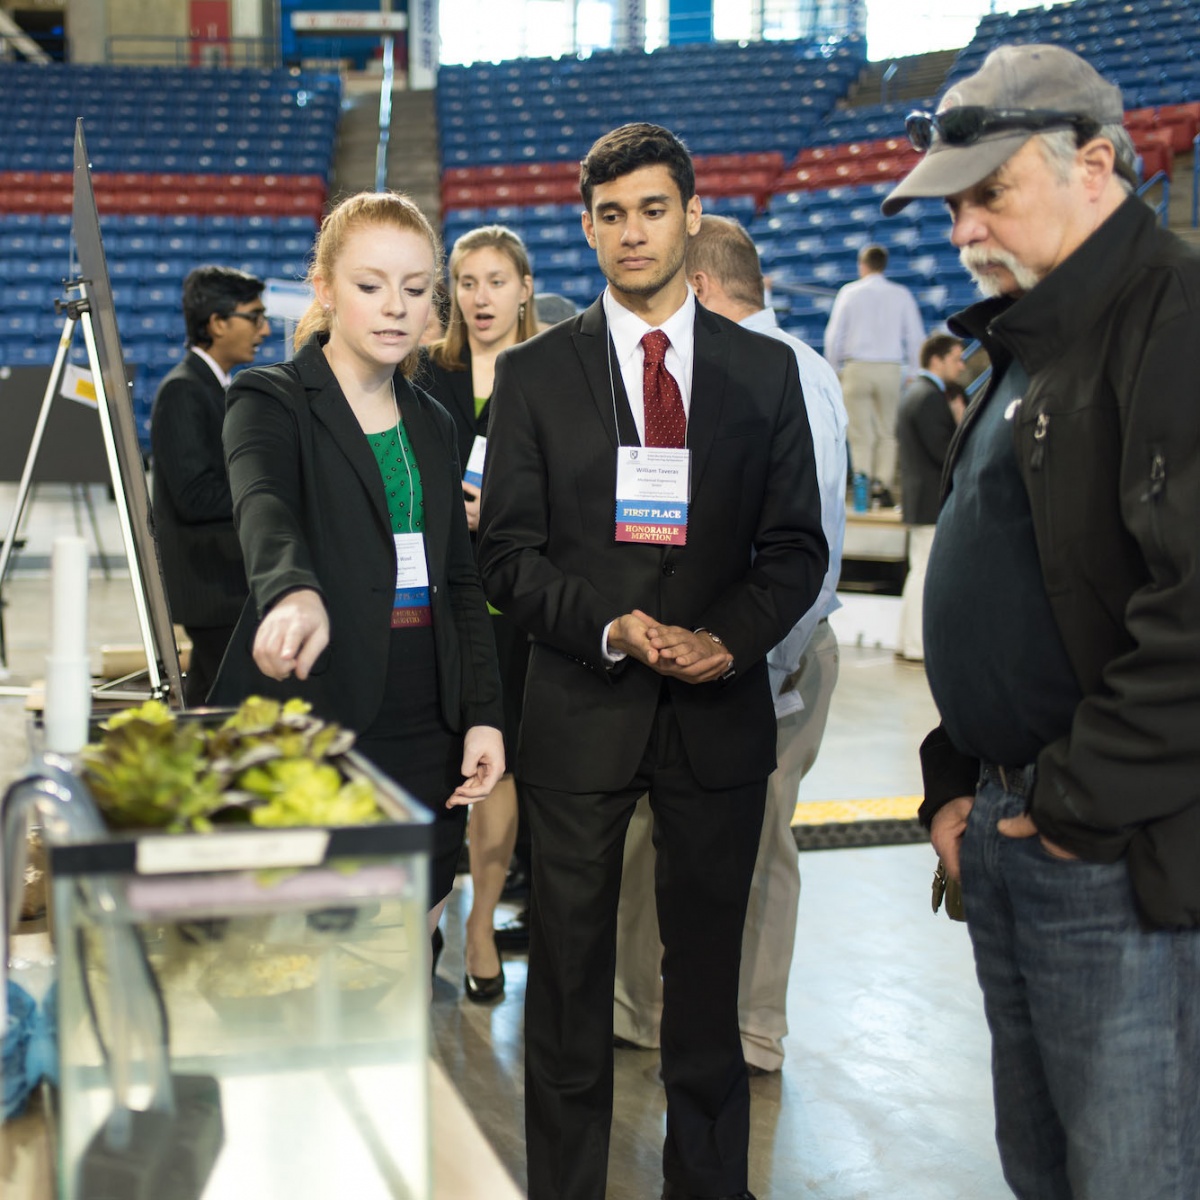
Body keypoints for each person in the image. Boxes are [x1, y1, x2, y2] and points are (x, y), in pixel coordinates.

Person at [477, 123, 828, 1200]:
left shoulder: (766, 373)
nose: (633, 232)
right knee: (571, 993)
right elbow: (506, 555)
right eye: (612, 214)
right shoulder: (535, 375)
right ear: (587, 228)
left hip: (717, 714)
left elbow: (796, 547)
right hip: (583, 710)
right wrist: (610, 626)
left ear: (691, 214)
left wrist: (728, 637)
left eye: (653, 209)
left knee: (708, 991)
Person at [883, 42, 1200, 1200]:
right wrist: (958, 777)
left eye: (990, 193)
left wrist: (1070, 811)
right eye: (953, 204)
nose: (964, 229)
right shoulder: (1032, 335)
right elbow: (1014, 575)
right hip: (1015, 824)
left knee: (1132, 1172)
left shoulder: (1171, 314)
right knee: (1046, 1167)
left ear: (1096, 164)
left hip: (1111, 852)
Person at [212, 192, 505, 926]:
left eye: (414, 290)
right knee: (315, 944)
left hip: (427, 721)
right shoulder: (270, 398)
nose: (394, 308)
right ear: (325, 290)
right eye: (370, 286)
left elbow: (461, 582)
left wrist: (482, 715)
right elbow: (263, 507)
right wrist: (291, 593)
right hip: (321, 706)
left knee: (409, 942)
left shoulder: (434, 422)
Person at [611, 213, 847, 1076]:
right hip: (690, 653)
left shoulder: (783, 373)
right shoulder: (721, 368)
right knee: (665, 836)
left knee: (757, 843)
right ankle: (647, 1010)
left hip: (761, 657)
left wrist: (761, 668)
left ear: (699, 287)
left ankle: (750, 1028)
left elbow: (804, 552)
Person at [422, 224, 537, 1002]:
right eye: (467, 281)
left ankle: (480, 924)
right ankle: (422, 912)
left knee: (501, 773)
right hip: (434, 594)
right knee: (433, 761)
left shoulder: (557, 371)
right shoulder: (426, 371)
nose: (481, 296)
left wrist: (495, 512)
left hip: (520, 602)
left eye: (496, 280)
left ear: (525, 287)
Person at [149, 266, 267, 705]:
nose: (265, 329)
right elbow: (194, 495)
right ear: (218, 323)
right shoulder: (183, 390)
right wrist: (267, 489)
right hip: (210, 586)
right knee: (219, 707)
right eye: (254, 317)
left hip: (222, 582)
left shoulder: (213, 387)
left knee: (211, 700)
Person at [823, 243, 924, 499]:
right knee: (887, 429)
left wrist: (832, 368)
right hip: (890, 366)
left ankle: (862, 481)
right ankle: (883, 484)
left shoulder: (850, 292)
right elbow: (915, 336)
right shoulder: (901, 294)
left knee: (859, 431)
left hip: (857, 366)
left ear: (862, 265)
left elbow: (834, 335)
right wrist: (914, 369)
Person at [894, 332, 966, 663]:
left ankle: (910, 641)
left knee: (919, 571)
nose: (962, 366)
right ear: (936, 360)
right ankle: (916, 644)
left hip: (920, 497)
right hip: (930, 500)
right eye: (956, 358)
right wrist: (960, 423)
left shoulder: (916, 393)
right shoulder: (929, 397)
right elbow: (945, 452)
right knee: (924, 572)